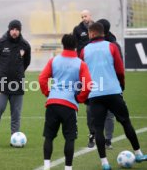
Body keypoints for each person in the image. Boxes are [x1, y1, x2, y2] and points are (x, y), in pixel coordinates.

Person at [80, 22, 147, 170]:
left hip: (95, 94)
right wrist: (121, 85)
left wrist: (85, 94)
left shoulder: (84, 51)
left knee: (98, 129)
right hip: (113, 91)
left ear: (91, 34)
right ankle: (138, 153)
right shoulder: (112, 47)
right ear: (103, 33)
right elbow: (120, 69)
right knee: (125, 122)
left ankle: (105, 163)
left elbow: (82, 74)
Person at [39, 34, 92, 170]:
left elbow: (42, 78)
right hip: (69, 104)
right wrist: (80, 98)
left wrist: (48, 93)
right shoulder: (81, 64)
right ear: (75, 46)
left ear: (63, 44)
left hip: (52, 103)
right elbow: (88, 85)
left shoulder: (54, 60)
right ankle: (68, 168)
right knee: (70, 138)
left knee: (49, 137)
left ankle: (46, 166)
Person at [0, 20, 31, 148]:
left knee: (16, 113)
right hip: (1, 84)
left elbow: (26, 63)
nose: (14, 31)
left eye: (17, 29)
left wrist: (18, 73)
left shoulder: (25, 45)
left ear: (20, 30)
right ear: (9, 29)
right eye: (13, 29)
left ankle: (14, 138)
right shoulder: (0, 43)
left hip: (18, 84)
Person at [73, 10, 114, 149]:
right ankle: (92, 134)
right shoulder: (83, 43)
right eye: (82, 16)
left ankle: (108, 139)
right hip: (91, 79)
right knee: (90, 110)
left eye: (86, 15)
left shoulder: (111, 42)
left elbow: (117, 63)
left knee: (109, 112)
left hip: (108, 81)